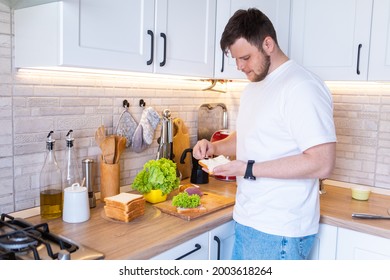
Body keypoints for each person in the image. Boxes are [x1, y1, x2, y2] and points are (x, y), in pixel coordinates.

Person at [192, 8, 337, 260]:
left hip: (279, 230)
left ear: (268, 43)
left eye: (245, 57)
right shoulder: (254, 87)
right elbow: (247, 138)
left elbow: (322, 162)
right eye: (236, 59)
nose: (239, 66)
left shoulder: (301, 87)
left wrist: (247, 169)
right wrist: (214, 148)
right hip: (248, 219)